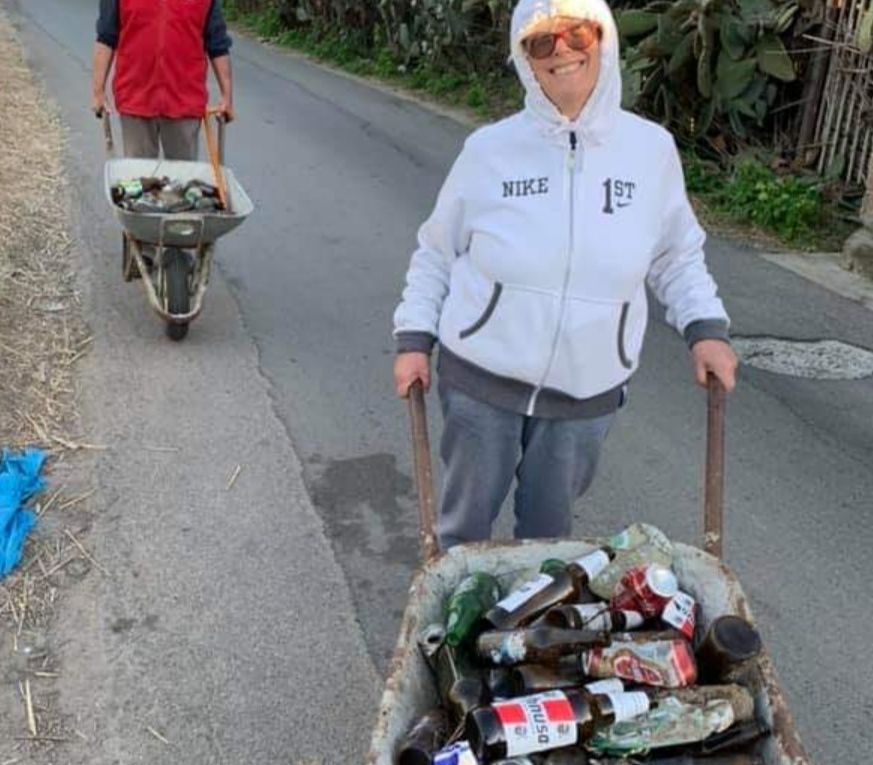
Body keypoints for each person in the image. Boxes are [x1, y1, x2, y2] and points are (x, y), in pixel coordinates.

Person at [392, 0, 738, 550]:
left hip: (587, 390)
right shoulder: (489, 151)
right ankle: (450, 629)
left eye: (577, 33)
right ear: (524, 58)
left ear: (603, 39)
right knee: (462, 534)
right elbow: (436, 251)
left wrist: (706, 329)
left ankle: (530, 635)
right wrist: (414, 338)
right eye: (541, 42)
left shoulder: (650, 152)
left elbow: (677, 255)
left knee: (549, 543)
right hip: (481, 380)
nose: (563, 52)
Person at [91, 0, 234, 160]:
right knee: (138, 178)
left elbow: (218, 44)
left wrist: (226, 96)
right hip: (135, 98)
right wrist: (98, 92)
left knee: (183, 180)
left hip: (185, 102)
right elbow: (106, 37)